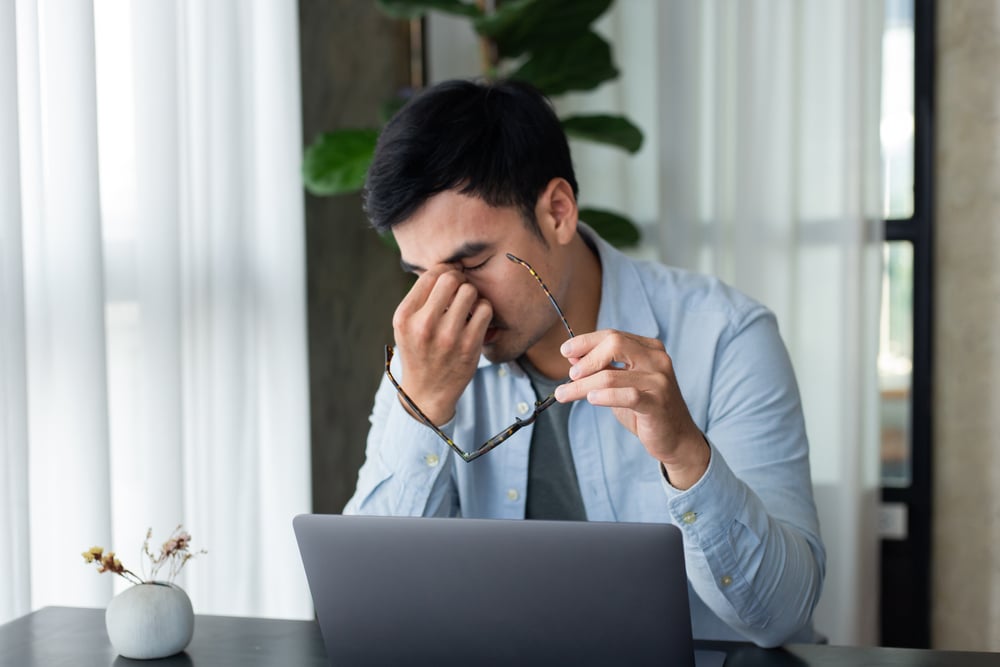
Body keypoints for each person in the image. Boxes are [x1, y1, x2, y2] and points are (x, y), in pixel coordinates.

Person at [343, 78, 825, 647]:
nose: (451, 300)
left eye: (472, 262)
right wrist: (420, 410)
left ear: (558, 212)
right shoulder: (425, 357)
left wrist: (685, 453)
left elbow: (781, 617)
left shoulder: (727, 337)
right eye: (421, 275)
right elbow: (368, 608)